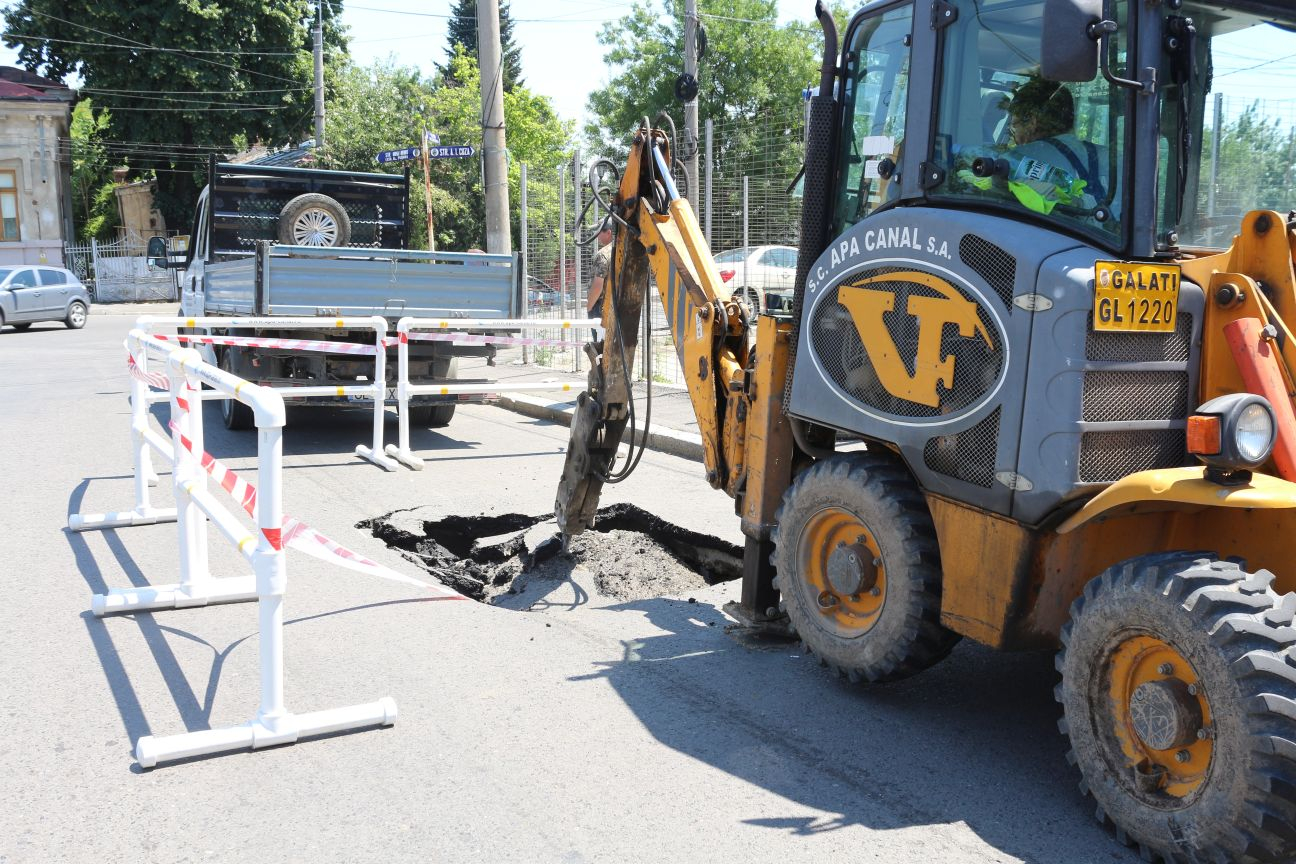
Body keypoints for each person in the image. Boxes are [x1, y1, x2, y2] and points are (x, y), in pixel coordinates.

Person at [963, 74, 1110, 217]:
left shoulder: (1019, 161)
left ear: (1032, 123)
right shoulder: (1108, 156)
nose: (1013, 136)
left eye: (1014, 126)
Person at [586, 218, 614, 319]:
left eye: (599, 232)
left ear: (608, 233)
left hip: (601, 306)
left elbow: (598, 286)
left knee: (600, 334)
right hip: (617, 304)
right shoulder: (623, 250)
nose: (597, 235)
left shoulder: (603, 254)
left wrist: (589, 307)